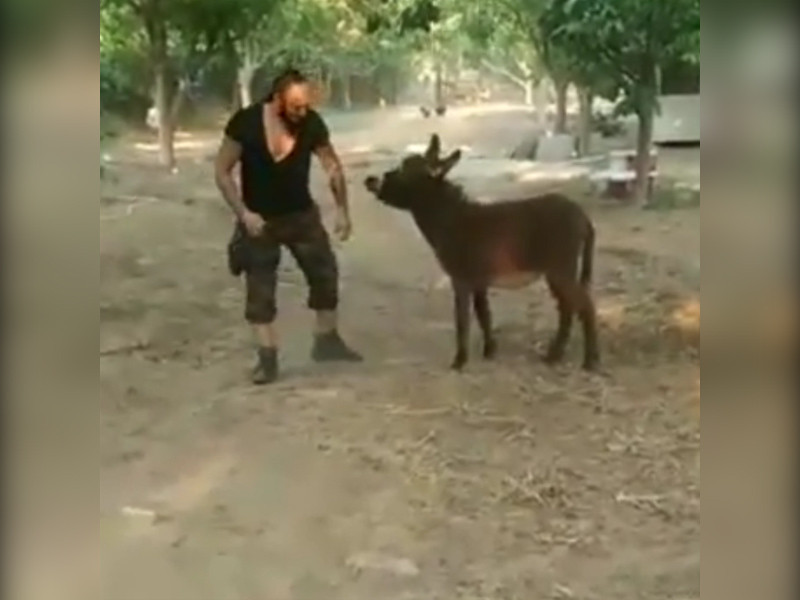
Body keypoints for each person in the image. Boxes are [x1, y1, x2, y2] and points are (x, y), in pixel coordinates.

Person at [214, 68, 362, 385]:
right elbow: (222, 171)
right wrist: (244, 213)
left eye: (306, 106)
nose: (302, 112)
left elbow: (333, 167)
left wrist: (342, 210)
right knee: (260, 291)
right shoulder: (246, 122)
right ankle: (267, 358)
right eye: (296, 106)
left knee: (325, 274)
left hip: (301, 215)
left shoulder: (311, 124)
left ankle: (326, 341)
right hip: (259, 219)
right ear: (277, 98)